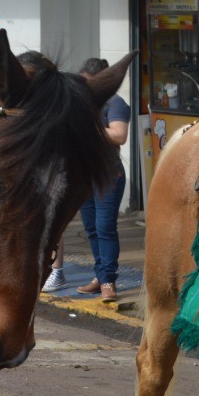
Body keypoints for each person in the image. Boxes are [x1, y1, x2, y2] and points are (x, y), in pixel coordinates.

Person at [74, 57, 131, 304]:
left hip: (108, 175)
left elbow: (119, 135)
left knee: (105, 228)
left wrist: (87, 126)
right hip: (85, 175)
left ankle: (108, 281)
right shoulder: (84, 105)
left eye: (86, 82)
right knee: (92, 229)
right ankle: (100, 276)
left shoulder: (115, 103)